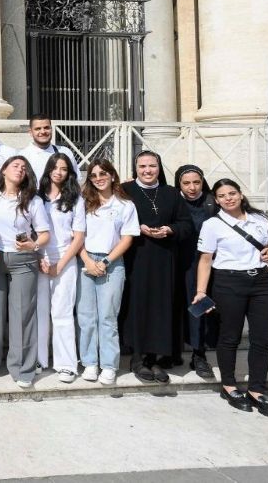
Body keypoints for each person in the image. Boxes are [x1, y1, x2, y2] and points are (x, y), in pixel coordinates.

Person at [195, 178, 268, 419]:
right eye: (223, 195)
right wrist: (201, 291)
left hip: (262, 283)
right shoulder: (213, 224)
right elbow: (205, 260)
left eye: (232, 193)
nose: (229, 198)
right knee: (230, 336)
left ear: (241, 194)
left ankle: (256, 389)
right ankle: (229, 386)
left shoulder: (260, 219)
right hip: (228, 282)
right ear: (217, 200)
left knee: (262, 338)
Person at [121, 150, 192, 383]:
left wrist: (169, 230)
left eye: (152, 166)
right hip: (137, 256)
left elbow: (186, 224)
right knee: (138, 305)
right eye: (142, 166)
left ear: (159, 168)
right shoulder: (126, 191)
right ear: (136, 169)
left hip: (165, 258)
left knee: (162, 306)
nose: (147, 170)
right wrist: (137, 227)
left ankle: (157, 359)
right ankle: (138, 358)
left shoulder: (171, 193)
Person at [0, 156, 50, 388]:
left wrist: (34, 246)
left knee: (22, 315)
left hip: (23, 261)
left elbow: (44, 234)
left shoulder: (33, 201)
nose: (20, 170)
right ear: (3, 171)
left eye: (23, 167)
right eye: (15, 166)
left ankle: (23, 369)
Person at [76, 159, 139, 385]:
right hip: (85, 260)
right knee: (86, 317)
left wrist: (104, 262)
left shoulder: (125, 205)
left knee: (108, 317)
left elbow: (127, 238)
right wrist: (87, 260)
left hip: (111, 262)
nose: (99, 178)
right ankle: (90, 362)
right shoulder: (84, 203)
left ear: (112, 175)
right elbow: (77, 236)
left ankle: (109, 365)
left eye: (103, 173)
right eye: (93, 175)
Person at [35, 153, 86, 383]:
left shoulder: (76, 199)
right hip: (39, 259)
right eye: (55, 168)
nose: (59, 172)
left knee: (62, 312)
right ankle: (39, 359)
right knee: (40, 312)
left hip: (65, 260)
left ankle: (66, 364)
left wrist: (60, 264)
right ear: (48, 170)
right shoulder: (36, 198)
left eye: (64, 169)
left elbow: (78, 237)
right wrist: (38, 257)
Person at [175, 164, 218, 379]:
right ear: (179, 184)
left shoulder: (212, 203)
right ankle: (172, 351)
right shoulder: (174, 201)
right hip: (177, 262)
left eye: (196, 182)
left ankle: (199, 354)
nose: (192, 187)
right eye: (186, 183)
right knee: (176, 306)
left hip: (203, 263)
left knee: (199, 307)